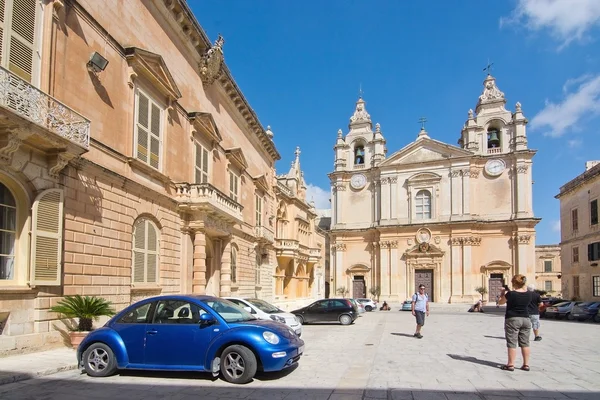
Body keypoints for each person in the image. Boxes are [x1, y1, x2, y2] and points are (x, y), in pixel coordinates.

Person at [498, 274, 533, 371]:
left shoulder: (511, 294)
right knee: (525, 343)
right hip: (526, 319)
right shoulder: (529, 294)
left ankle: (510, 364)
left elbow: (500, 302)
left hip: (513, 318)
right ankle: (526, 364)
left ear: (514, 283)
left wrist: (502, 293)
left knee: (512, 342)